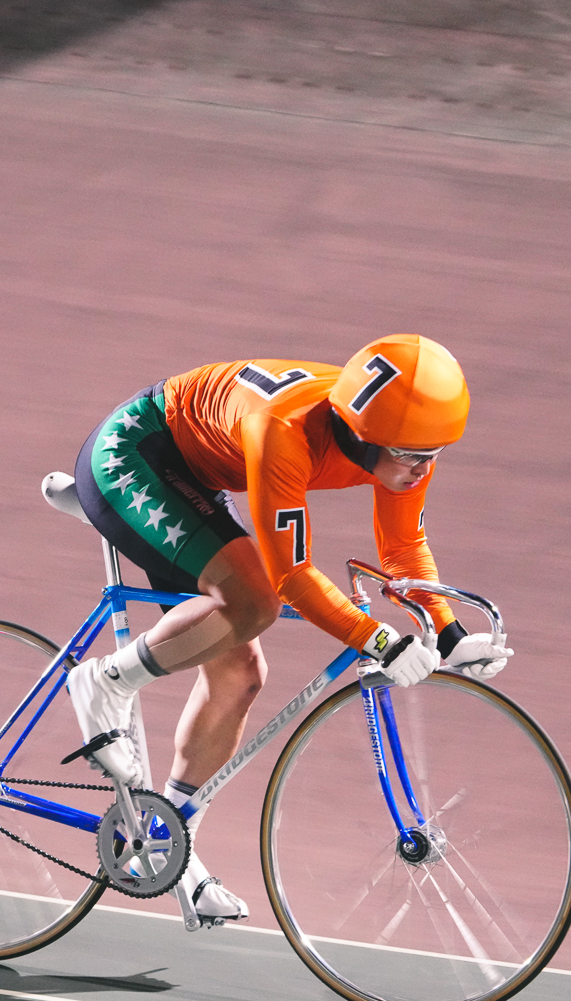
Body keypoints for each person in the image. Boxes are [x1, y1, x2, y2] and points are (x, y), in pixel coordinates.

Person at [64, 334, 511, 930]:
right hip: (136, 456)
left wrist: (449, 633)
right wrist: (378, 641)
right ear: (361, 433)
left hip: (198, 478)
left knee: (242, 675)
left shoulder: (398, 437)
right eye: (409, 454)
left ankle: (168, 844)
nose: (421, 468)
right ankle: (104, 680)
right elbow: (292, 577)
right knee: (253, 602)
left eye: (434, 452)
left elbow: (403, 547)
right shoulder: (287, 430)